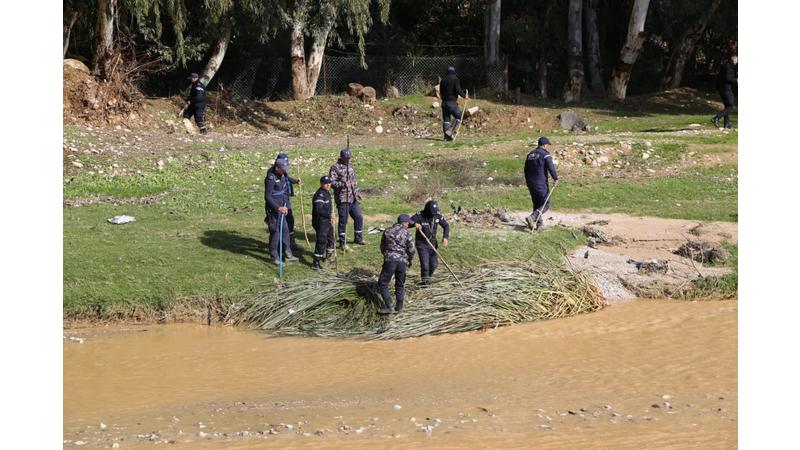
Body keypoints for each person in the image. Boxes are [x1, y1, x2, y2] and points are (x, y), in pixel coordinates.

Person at [378, 214, 416, 314]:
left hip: (390, 260)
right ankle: (399, 307)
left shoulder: (387, 231)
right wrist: (409, 260)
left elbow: (382, 246)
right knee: (400, 284)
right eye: (408, 223)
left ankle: (389, 305)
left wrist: (386, 256)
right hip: (402, 262)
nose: (408, 225)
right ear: (405, 223)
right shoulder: (407, 233)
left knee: (383, 283)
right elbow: (412, 250)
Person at [329, 148, 365, 250]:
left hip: (353, 198)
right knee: (343, 221)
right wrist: (343, 184)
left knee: (359, 217)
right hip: (343, 198)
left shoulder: (351, 166)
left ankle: (358, 238)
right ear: (342, 157)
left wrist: (357, 192)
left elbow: (354, 181)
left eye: (349, 158)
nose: (348, 160)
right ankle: (342, 242)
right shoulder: (335, 168)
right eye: (346, 158)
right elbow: (332, 183)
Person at [264, 159, 298, 264]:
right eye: (283, 169)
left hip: (283, 208)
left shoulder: (282, 175)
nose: (284, 171)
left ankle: (288, 254)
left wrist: (285, 206)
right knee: (275, 232)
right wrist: (278, 207)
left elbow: (283, 191)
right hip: (273, 210)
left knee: (285, 230)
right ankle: (274, 257)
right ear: (277, 168)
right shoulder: (271, 178)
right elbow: (267, 197)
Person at [410, 200, 450, 284]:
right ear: (427, 211)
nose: (433, 214)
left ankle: (427, 279)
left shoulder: (437, 216)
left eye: (435, 213)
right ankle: (425, 284)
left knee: (434, 264)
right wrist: (414, 224)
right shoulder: (420, 216)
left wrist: (445, 237)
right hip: (422, 244)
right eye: (432, 213)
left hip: (433, 244)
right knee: (425, 265)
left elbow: (446, 225)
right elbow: (408, 222)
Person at [524, 137, 559, 231]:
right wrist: (555, 178)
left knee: (537, 203)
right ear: (545, 145)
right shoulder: (545, 154)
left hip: (531, 183)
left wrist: (527, 181)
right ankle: (533, 217)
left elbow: (525, 170)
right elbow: (551, 167)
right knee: (546, 203)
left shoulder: (530, 154)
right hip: (540, 183)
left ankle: (539, 225)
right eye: (547, 145)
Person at [275, 152, 302, 251]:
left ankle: (291, 242)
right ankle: (281, 245)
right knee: (281, 223)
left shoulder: (283, 171)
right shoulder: (274, 173)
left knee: (290, 220)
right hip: (279, 201)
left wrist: (295, 181)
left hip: (286, 198)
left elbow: (287, 178)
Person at [311, 176, 335, 270]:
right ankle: (316, 262)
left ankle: (328, 256)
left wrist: (331, 215)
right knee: (322, 241)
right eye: (326, 183)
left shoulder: (327, 192)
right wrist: (329, 215)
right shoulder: (319, 195)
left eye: (329, 183)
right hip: (320, 221)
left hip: (327, 220)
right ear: (321, 184)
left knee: (332, 237)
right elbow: (319, 209)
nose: (328, 184)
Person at [439, 66, 468, 141]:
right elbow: (458, 90)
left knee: (446, 120)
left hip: (444, 103)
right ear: (454, 72)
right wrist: (464, 96)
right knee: (460, 116)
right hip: (452, 103)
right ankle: (450, 130)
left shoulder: (442, 80)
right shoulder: (455, 79)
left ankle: (446, 137)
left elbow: (441, 92)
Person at [712, 54, 738, 129]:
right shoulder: (729, 67)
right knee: (730, 106)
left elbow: (718, 78)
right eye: (737, 59)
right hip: (726, 89)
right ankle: (716, 118)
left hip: (722, 89)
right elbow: (728, 78)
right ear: (733, 59)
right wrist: (736, 80)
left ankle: (727, 124)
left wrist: (716, 89)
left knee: (727, 105)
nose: (737, 61)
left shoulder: (724, 66)